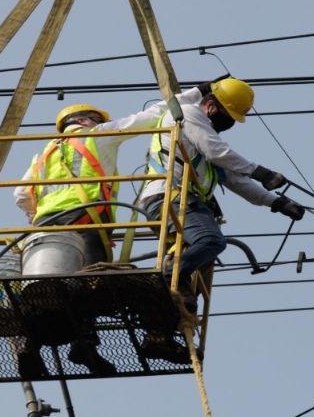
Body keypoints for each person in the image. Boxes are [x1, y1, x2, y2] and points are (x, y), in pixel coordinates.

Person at [12, 93, 202, 379]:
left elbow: (20, 194)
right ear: (87, 121)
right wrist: (191, 96)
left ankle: (32, 346)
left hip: (45, 227)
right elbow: (145, 119)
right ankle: (84, 343)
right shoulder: (95, 136)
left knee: (49, 289)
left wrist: (38, 213)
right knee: (92, 284)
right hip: (85, 219)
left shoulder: (45, 152)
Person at [139, 77, 305, 360]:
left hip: (181, 204)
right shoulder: (188, 116)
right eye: (228, 117)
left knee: (190, 290)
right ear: (212, 106)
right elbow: (219, 151)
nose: (228, 124)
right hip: (171, 199)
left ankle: (158, 337)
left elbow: (236, 181)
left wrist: (277, 202)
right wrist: (261, 172)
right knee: (210, 241)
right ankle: (170, 275)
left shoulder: (202, 146)